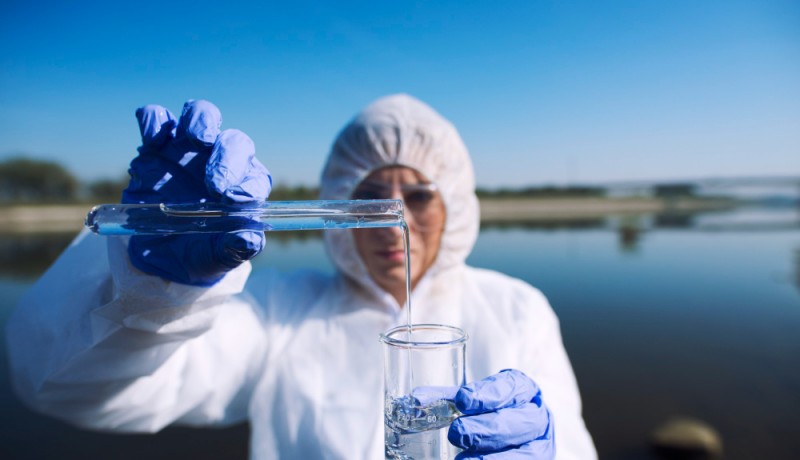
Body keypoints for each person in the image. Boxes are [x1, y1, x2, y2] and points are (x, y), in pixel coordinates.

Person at [6, 95, 596, 459]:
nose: (394, 223)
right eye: (369, 198)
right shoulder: (281, 311)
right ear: (340, 206)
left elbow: (568, 446)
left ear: (455, 206)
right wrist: (150, 287)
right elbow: (67, 389)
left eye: (419, 196)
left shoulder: (516, 308)